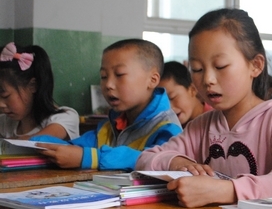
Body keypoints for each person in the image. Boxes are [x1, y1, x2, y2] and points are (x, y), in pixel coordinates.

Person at [135, 8, 272, 207]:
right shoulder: (201, 126)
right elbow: (145, 159)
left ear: (255, 65)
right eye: (197, 69)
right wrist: (176, 162)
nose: (208, 79)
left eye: (220, 66)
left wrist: (225, 190)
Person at [32, 39, 182, 170]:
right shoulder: (110, 126)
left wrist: (90, 158)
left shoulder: (168, 128)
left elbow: (155, 161)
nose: (108, 84)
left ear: (152, 80)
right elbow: (74, 148)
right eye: (103, 76)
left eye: (119, 74)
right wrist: (36, 143)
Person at [0, 42, 79, 140]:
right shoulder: (5, 123)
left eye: (5, 96)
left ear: (33, 86)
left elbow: (39, 141)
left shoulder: (64, 118)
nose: (1, 104)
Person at [159, 61, 206, 127]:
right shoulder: (171, 129)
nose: (169, 108)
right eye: (161, 103)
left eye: (172, 97)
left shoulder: (217, 119)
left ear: (192, 90)